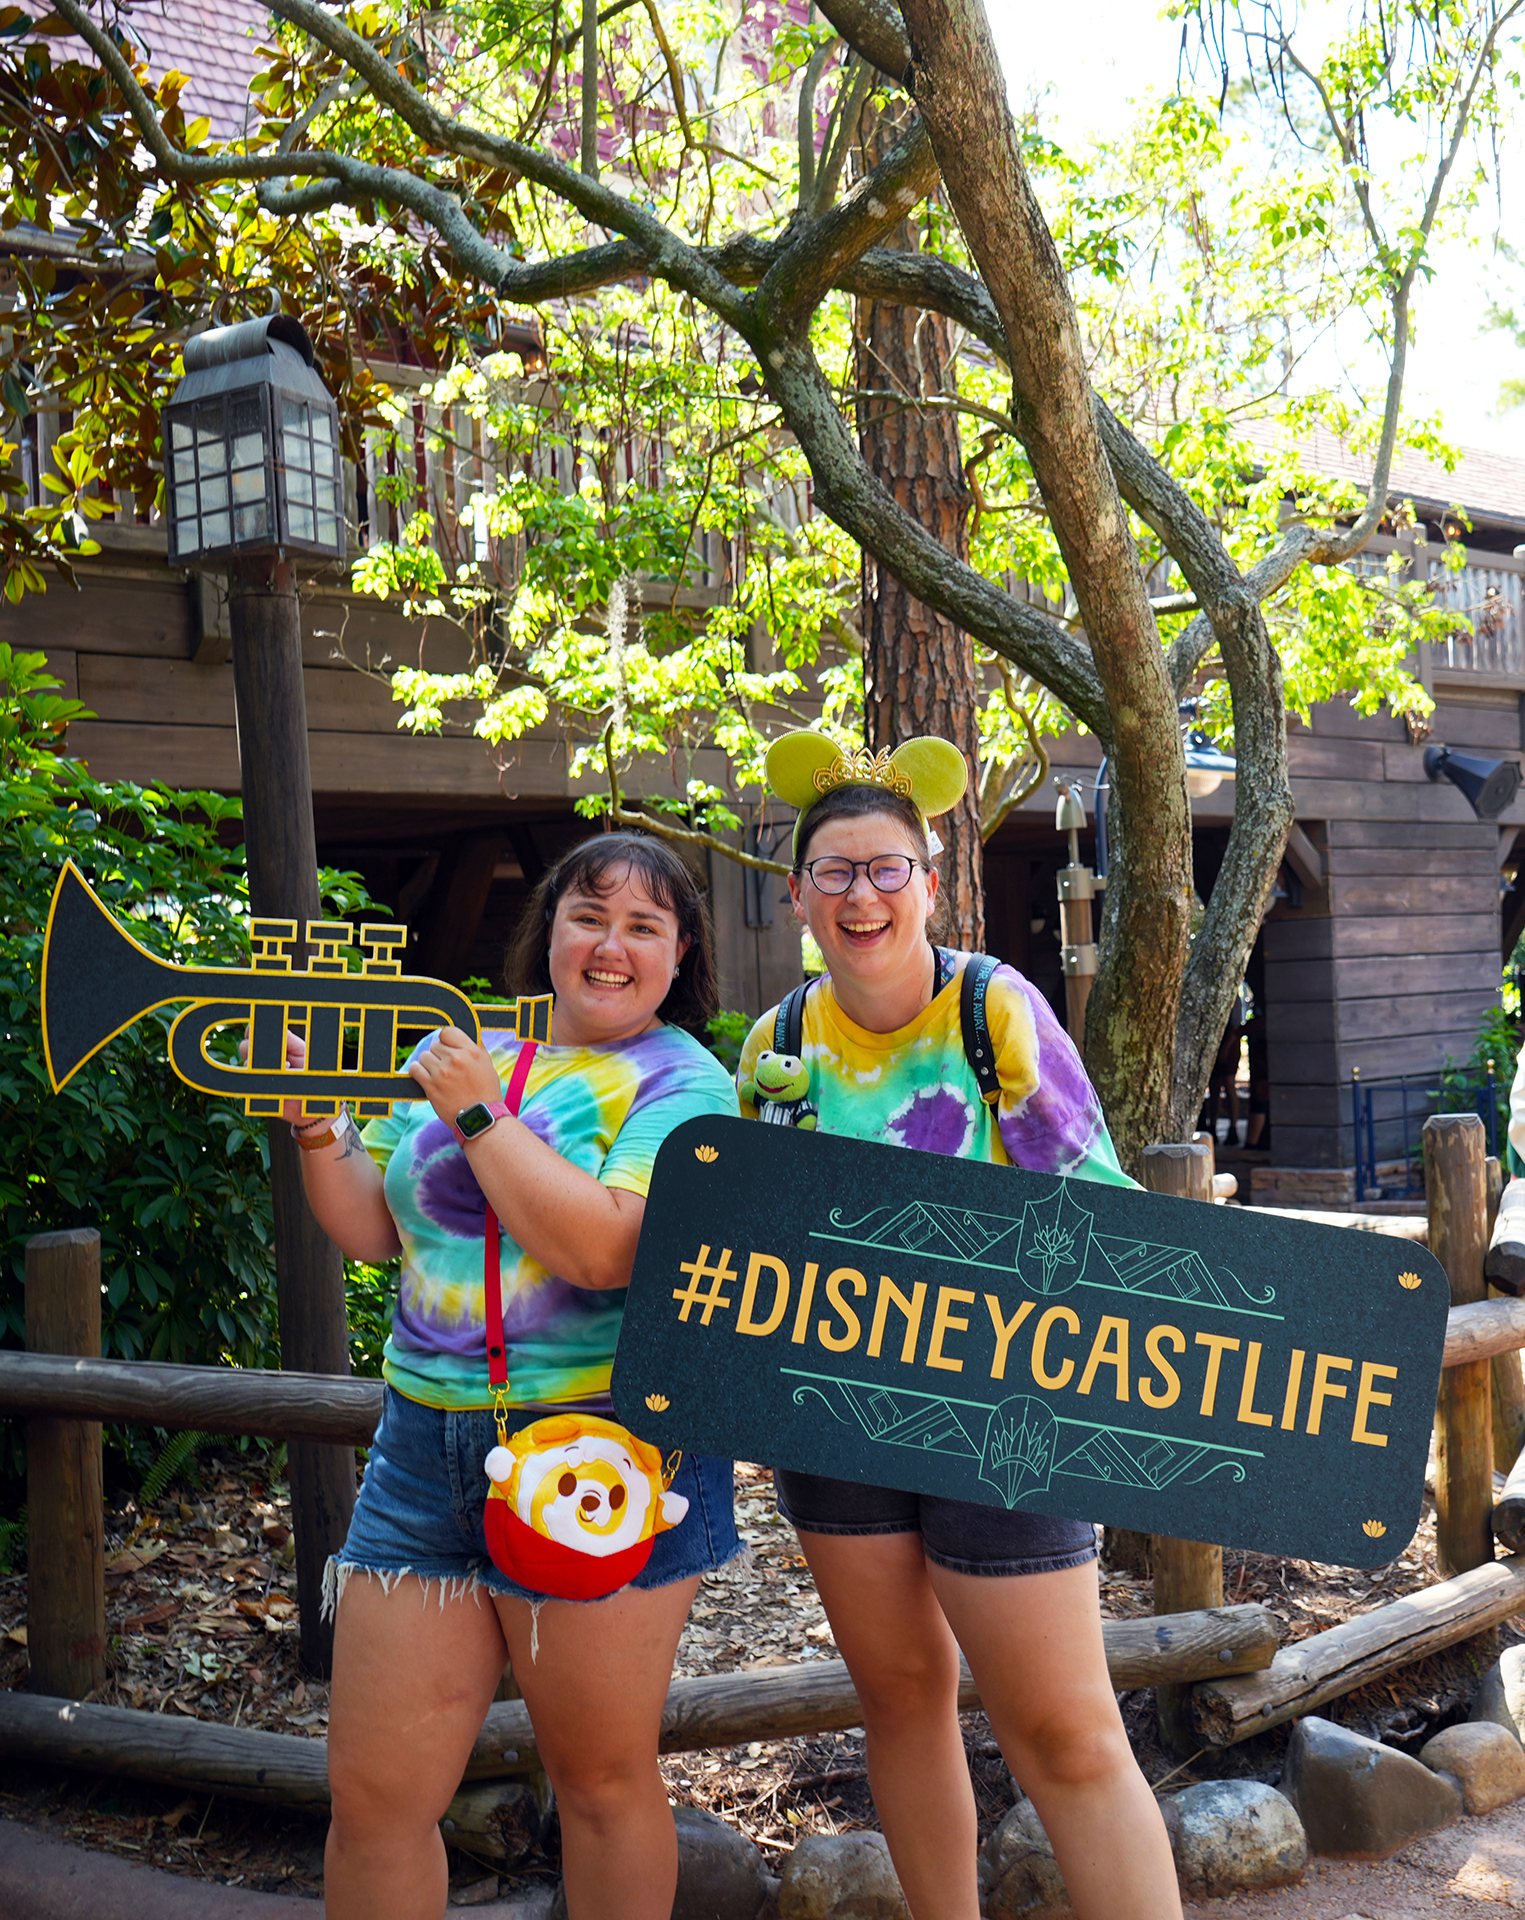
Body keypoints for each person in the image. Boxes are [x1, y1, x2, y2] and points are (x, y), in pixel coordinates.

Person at [736, 733, 1182, 1920]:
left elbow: (1096, 1210)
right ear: (798, 897)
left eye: (885, 869)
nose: (861, 895)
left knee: (1067, 1731)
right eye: (834, 872)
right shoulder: (773, 1047)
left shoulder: (997, 1010)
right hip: (833, 1415)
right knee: (898, 1699)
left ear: (928, 884)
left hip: (1003, 1410)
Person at [287, 832, 741, 1920]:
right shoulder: (468, 1048)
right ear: (549, 929)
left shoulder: (686, 1082)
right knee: (375, 1798)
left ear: (679, 957)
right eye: (589, 916)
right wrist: (317, 1131)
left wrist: (481, 1112)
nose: (610, 946)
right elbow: (374, 1233)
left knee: (598, 1784)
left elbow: (602, 1250)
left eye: (644, 927)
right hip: (421, 1445)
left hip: (604, 1447)